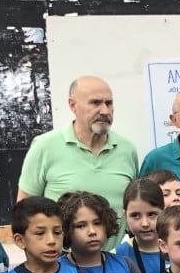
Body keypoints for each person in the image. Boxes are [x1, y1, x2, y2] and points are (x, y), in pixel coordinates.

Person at [18, 75, 139, 241]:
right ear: (73, 105)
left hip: (115, 261)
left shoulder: (126, 149)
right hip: (62, 262)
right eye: (95, 103)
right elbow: (25, 211)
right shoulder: (44, 146)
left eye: (109, 103)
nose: (105, 111)